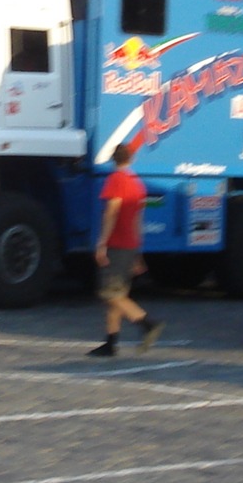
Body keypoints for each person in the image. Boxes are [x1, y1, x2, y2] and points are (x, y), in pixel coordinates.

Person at [90, 140, 163, 358]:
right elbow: (138, 220)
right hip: (130, 244)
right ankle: (111, 343)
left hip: (117, 244)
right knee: (119, 293)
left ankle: (147, 324)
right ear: (132, 158)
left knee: (109, 293)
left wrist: (101, 242)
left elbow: (111, 212)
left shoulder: (115, 180)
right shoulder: (137, 183)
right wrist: (138, 252)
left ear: (114, 159)